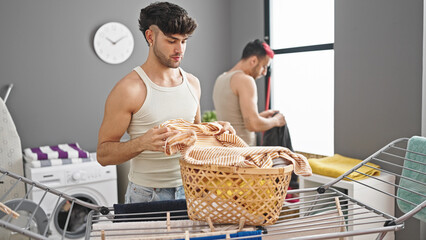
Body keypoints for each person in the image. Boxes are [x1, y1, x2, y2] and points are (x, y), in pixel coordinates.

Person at [96, 2, 234, 204]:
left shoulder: (193, 83)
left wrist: (215, 132)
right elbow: (103, 154)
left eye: (184, 41)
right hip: (147, 196)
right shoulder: (129, 89)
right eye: (171, 41)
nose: (180, 49)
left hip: (191, 189)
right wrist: (142, 142)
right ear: (150, 37)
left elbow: (194, 138)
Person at [213, 39, 286, 146]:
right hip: (243, 153)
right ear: (253, 61)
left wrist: (259, 116)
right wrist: (276, 121)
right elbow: (253, 125)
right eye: (264, 66)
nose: (265, 72)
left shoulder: (221, 78)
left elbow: (236, 121)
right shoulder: (245, 80)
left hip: (226, 150)